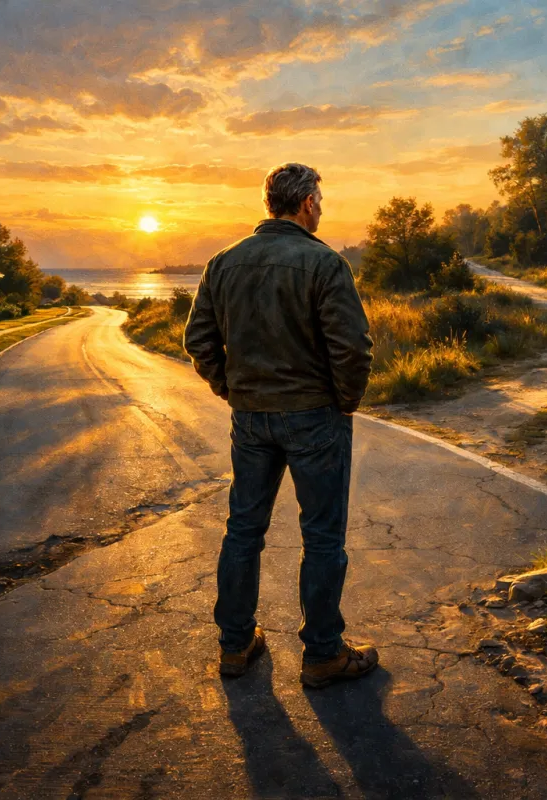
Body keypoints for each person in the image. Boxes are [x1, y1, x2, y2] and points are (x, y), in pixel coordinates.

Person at [184, 163, 378, 688]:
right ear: (308, 202)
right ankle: (322, 655)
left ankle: (235, 645)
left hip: (251, 419)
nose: (322, 207)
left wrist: (232, 390)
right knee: (321, 538)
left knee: (243, 529)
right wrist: (345, 402)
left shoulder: (223, 262)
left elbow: (198, 341)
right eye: (321, 198)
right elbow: (352, 349)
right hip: (315, 416)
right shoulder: (324, 263)